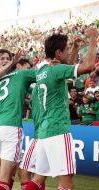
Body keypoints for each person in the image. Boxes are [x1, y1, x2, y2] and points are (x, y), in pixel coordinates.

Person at [26, 27, 98, 190]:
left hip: (44, 133)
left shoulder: (43, 71)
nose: (68, 52)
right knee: (66, 183)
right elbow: (87, 66)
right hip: (57, 130)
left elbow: (64, 69)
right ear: (58, 53)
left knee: (38, 180)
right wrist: (93, 38)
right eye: (66, 49)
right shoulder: (56, 70)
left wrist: (74, 49)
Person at [0, 49, 36, 190]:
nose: (6, 60)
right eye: (2, 58)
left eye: (8, 58)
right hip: (10, 126)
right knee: (5, 177)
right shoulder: (20, 74)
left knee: (5, 170)